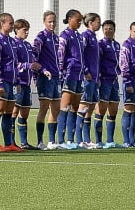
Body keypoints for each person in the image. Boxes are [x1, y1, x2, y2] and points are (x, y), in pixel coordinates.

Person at [30, 11, 60, 149]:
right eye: (50, 21)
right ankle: (40, 141)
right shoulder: (40, 37)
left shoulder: (56, 38)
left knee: (56, 108)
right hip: (45, 78)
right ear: (44, 22)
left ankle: (52, 141)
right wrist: (42, 71)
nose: (52, 24)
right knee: (44, 108)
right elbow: (33, 57)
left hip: (55, 77)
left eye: (54, 21)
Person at [0, 12, 19, 152]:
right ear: (2, 24)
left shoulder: (12, 41)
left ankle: (9, 143)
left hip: (12, 81)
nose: (12, 26)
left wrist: (17, 80)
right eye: (10, 23)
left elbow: (15, 63)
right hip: (2, 81)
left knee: (9, 112)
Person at [57, 9, 85, 150]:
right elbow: (60, 55)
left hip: (79, 76)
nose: (80, 22)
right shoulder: (64, 35)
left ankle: (70, 140)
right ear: (69, 19)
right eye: (77, 20)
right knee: (65, 107)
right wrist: (62, 72)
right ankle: (61, 141)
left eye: (80, 20)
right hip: (69, 75)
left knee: (75, 108)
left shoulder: (79, 36)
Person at [10, 18, 36, 149]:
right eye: (24, 30)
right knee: (14, 112)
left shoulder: (27, 45)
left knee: (25, 113)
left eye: (28, 30)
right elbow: (14, 63)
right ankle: (11, 142)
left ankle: (24, 143)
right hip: (18, 82)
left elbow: (33, 62)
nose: (27, 33)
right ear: (16, 30)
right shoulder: (14, 44)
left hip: (27, 83)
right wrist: (28, 65)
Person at [97, 19, 122, 149]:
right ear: (102, 30)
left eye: (110, 29)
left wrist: (118, 71)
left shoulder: (117, 45)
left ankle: (110, 140)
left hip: (114, 81)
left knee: (113, 110)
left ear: (114, 30)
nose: (108, 31)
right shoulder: (100, 44)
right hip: (104, 80)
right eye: (105, 29)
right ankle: (98, 141)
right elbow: (97, 62)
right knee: (101, 110)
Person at [78, 13, 101, 149]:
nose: (100, 24)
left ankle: (87, 139)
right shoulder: (85, 36)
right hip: (87, 78)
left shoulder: (94, 37)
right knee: (83, 107)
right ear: (91, 23)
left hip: (95, 78)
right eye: (98, 22)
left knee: (90, 108)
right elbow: (81, 55)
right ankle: (79, 139)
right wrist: (86, 71)